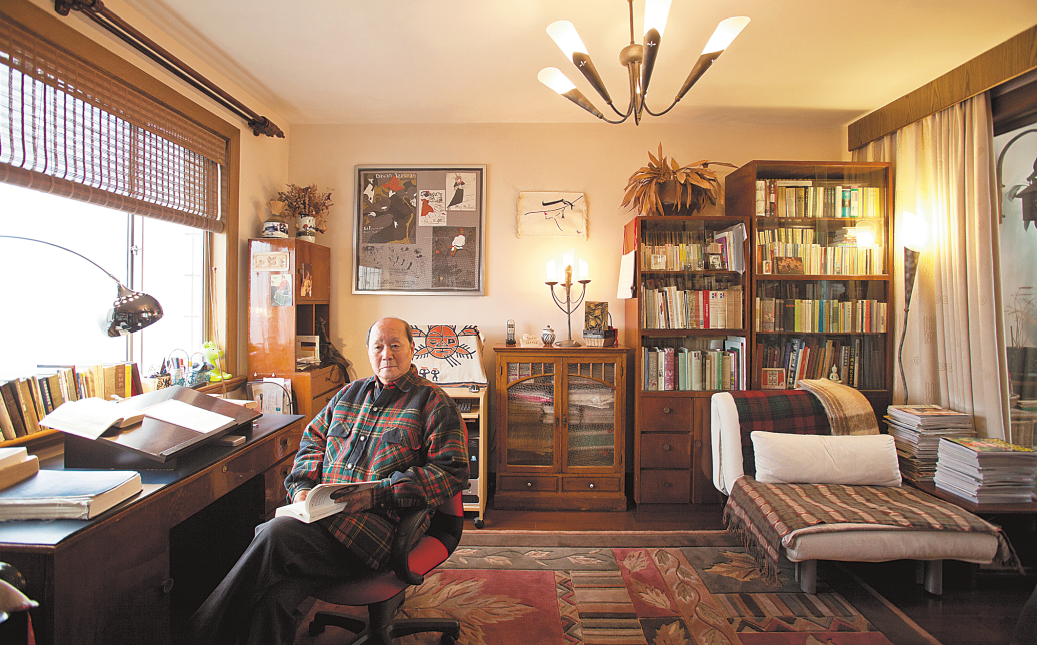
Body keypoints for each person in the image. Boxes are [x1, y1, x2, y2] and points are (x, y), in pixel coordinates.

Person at [181, 317, 469, 645]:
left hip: (380, 528)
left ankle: (196, 637)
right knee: (274, 598)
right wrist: (302, 489)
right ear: (368, 351)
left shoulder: (433, 403)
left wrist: (377, 494)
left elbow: (451, 472)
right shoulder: (347, 395)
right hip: (322, 519)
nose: (386, 354)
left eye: (395, 345)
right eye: (378, 347)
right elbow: (312, 442)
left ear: (412, 349)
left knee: (273, 535)